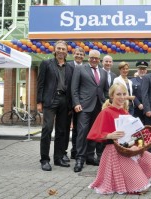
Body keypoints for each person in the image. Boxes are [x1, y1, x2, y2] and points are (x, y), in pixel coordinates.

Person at [87, 83, 151, 195]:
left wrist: (145, 133)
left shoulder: (125, 112)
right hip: (113, 151)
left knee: (149, 161)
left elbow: (134, 133)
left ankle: (135, 179)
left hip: (128, 148)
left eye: (124, 94)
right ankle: (131, 181)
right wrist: (109, 135)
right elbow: (94, 133)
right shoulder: (106, 112)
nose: (122, 97)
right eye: (118, 94)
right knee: (143, 188)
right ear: (112, 96)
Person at [37, 40, 74, 171]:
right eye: (59, 48)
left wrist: (71, 105)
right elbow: (40, 84)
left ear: (66, 52)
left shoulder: (70, 67)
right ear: (54, 50)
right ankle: (45, 160)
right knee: (47, 129)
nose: (61, 51)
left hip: (65, 101)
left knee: (62, 131)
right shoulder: (46, 64)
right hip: (50, 100)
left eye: (63, 49)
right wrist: (39, 102)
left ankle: (58, 158)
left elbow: (71, 87)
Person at [71, 49, 109, 172]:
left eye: (96, 58)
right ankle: (80, 159)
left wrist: (106, 103)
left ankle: (90, 157)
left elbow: (105, 90)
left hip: (99, 107)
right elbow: (74, 88)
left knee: (95, 132)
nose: (94, 60)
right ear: (88, 58)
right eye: (92, 57)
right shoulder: (80, 69)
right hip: (84, 106)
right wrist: (76, 103)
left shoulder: (103, 72)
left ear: (99, 60)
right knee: (82, 132)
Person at [65, 47, 85, 160]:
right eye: (77, 54)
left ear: (84, 56)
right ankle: (63, 152)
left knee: (78, 128)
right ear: (73, 54)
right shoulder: (68, 66)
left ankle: (75, 150)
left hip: (79, 103)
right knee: (65, 128)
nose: (79, 56)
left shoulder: (85, 67)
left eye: (81, 54)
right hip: (67, 102)